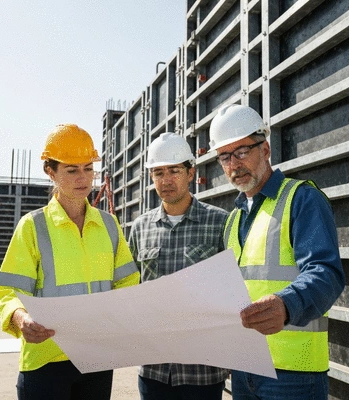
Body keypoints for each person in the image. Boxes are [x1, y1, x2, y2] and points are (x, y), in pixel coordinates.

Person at [0, 124, 140, 400]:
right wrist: (20, 317)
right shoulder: (32, 226)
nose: (83, 178)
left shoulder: (108, 224)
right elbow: (9, 290)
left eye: (88, 168)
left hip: (96, 356)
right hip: (45, 359)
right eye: (72, 170)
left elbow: (128, 281)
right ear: (51, 172)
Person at [208, 104, 345, 399]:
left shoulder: (302, 199)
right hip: (245, 369)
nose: (234, 165)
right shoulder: (233, 219)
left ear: (266, 149)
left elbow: (327, 273)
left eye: (242, 152)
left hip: (294, 376)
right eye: (225, 157)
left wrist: (286, 305)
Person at [128, 132, 229, 400]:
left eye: (174, 170)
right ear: (151, 177)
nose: (166, 180)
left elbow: (233, 292)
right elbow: (131, 291)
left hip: (202, 368)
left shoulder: (219, 223)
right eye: (158, 172)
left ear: (191, 172)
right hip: (154, 368)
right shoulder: (140, 228)